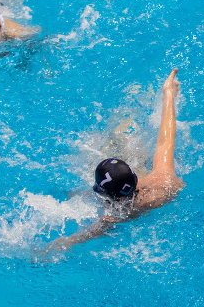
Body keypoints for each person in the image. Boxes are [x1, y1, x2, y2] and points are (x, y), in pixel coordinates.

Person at [38, 69, 185, 257]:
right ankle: (135, 97)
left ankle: (131, 102)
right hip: (146, 185)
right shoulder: (164, 182)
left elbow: (85, 235)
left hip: (127, 189)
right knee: (119, 139)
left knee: (101, 142)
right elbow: (165, 141)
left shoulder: (118, 215)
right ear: (135, 177)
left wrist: (63, 243)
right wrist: (168, 94)